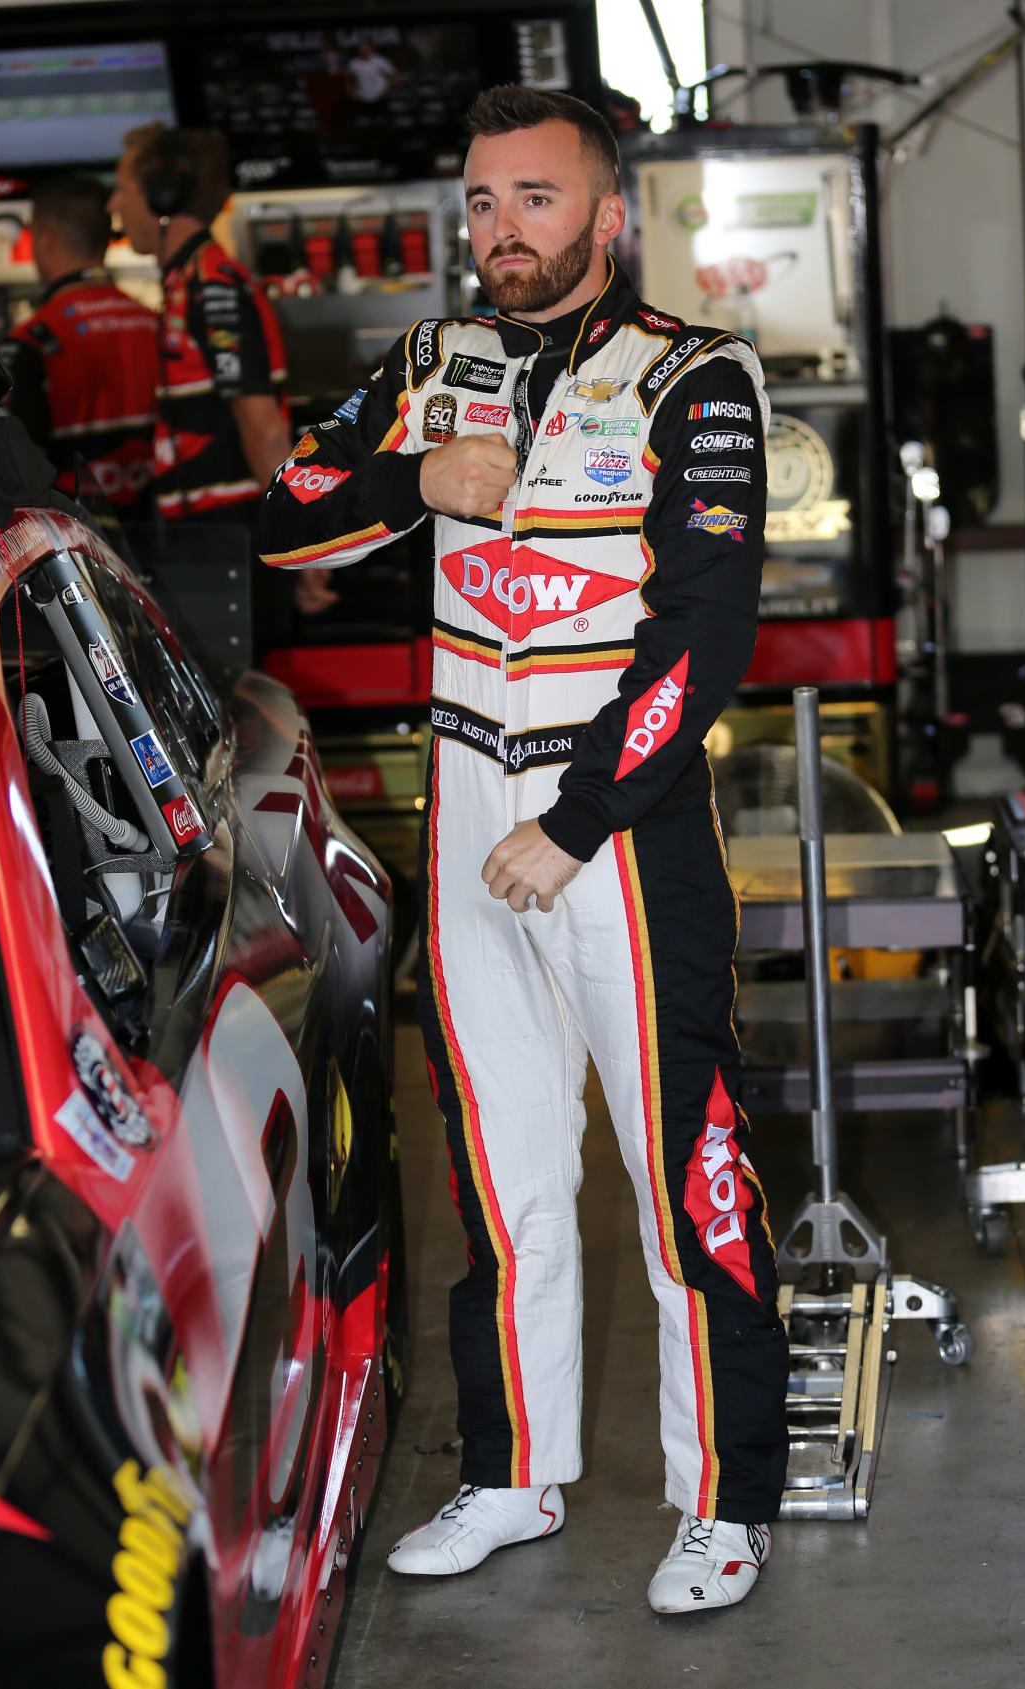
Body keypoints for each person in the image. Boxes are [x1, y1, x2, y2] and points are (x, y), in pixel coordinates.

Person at [256, 84, 789, 1615]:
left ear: (607, 215)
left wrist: (576, 821)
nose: (500, 231)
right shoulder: (434, 368)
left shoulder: (697, 378)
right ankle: (511, 1472)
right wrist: (415, 482)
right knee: (500, 1176)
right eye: (482, 203)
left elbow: (705, 636)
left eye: (534, 200)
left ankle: (724, 1499)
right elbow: (284, 516)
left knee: (685, 1176)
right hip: (468, 816)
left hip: (615, 831)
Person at [106, 124, 292, 529]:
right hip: (212, 532)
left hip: (234, 532)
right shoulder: (191, 281)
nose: (112, 205)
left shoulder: (211, 286)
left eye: (122, 188)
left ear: (162, 197)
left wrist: (298, 539)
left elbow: (263, 427)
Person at [0, 174, 157, 515]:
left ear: (46, 240)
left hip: (78, 543)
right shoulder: (156, 323)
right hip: (165, 531)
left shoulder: (31, 340)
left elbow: (16, 470)